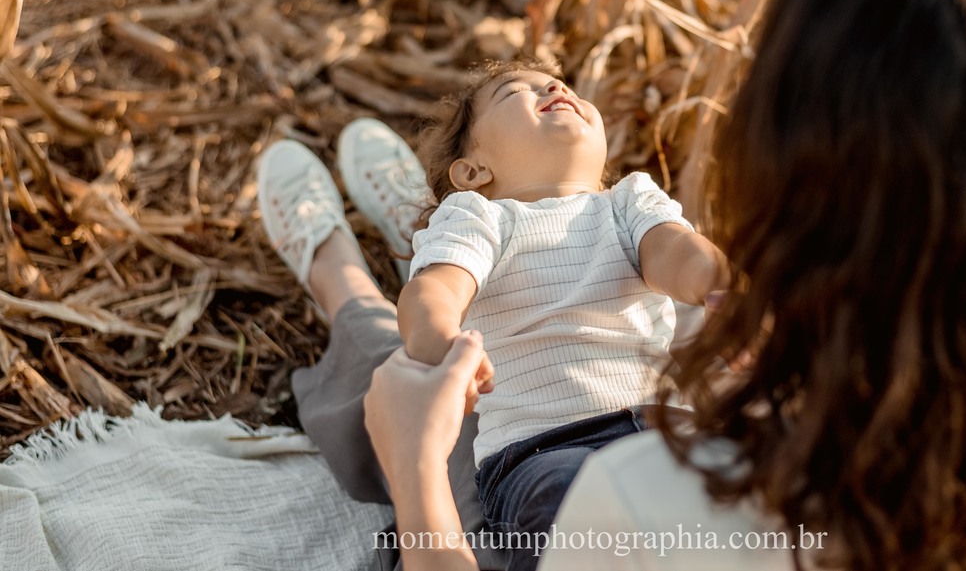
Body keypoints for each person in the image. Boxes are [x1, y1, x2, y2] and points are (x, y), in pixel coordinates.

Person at [360, 0, 966, 571]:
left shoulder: (645, 507)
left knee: (378, 381)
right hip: (567, 425)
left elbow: (674, 255)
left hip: (592, 443)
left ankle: (339, 265)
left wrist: (417, 479)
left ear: (786, 188)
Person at [256, 59, 728, 571]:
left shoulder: (628, 201)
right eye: (513, 92)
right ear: (474, 173)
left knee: (579, 518)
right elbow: (436, 292)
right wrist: (439, 337)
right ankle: (430, 237)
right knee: (591, 502)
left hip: (653, 433)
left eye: (557, 82)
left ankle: (387, 247)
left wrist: (714, 282)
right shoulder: (484, 213)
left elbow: (673, 252)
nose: (554, 85)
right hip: (549, 449)